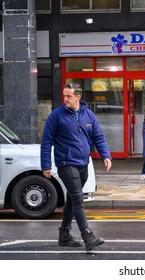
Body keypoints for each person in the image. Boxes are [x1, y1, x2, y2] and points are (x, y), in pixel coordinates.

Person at [40, 83, 112, 252]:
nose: (65, 99)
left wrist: (106, 155)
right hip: (66, 163)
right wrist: (46, 165)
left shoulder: (88, 115)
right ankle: (87, 235)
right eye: (64, 96)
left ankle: (64, 234)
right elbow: (46, 142)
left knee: (72, 199)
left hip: (83, 163)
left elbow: (98, 136)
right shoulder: (56, 116)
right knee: (78, 198)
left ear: (78, 97)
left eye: (69, 96)